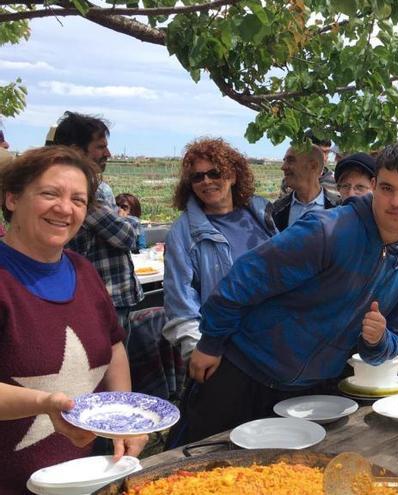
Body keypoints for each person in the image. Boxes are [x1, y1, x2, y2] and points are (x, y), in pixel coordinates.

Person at [174, 142, 398, 445]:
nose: (395, 201)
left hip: (313, 394)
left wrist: (378, 339)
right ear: (373, 186)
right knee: (200, 468)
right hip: (244, 371)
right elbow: (247, 276)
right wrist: (211, 342)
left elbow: (395, 344)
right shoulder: (329, 231)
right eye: (387, 188)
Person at [0, 146, 147, 492]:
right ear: (11, 199)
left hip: (87, 476)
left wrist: (122, 415)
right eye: (49, 193)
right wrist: (45, 403)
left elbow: (113, 347)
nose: (65, 208)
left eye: (78, 200)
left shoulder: (84, 271)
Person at [162, 138, 277, 359]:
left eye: (214, 173)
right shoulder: (183, 233)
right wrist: (199, 351)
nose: (206, 181)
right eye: (197, 177)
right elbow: (180, 303)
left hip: (273, 342)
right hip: (227, 350)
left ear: (232, 176)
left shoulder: (262, 215)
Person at [54, 111, 143, 332]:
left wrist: (122, 219)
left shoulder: (89, 186)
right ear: (76, 150)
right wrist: (130, 219)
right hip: (102, 300)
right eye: (100, 147)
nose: (108, 153)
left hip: (104, 298)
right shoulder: (84, 189)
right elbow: (126, 236)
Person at [272, 143, 340, 231]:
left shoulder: (339, 208)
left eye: (290, 160)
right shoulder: (276, 210)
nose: (283, 167)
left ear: (313, 166)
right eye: (284, 161)